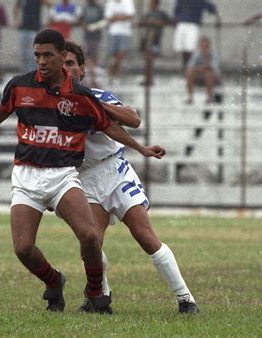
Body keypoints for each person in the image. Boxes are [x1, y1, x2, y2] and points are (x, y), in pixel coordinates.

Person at [0, 29, 165, 313]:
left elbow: (109, 126)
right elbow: (4, 108)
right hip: (27, 176)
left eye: (48, 55)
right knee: (23, 249)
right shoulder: (20, 86)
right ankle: (54, 281)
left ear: (63, 56)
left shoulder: (80, 96)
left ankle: (95, 292)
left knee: (89, 236)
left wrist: (141, 149)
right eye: (37, 55)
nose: (41, 61)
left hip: (63, 175)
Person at [63, 40, 199, 314]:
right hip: (85, 178)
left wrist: (94, 103)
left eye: (70, 64)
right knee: (90, 243)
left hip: (115, 170)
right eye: (61, 63)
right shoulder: (53, 105)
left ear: (82, 69)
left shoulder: (98, 95)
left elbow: (133, 119)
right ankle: (101, 298)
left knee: (145, 236)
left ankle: (185, 299)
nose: (66, 69)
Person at [173, 0, 221, 71]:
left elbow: (211, 8)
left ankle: (191, 69)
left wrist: (218, 19)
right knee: (183, 50)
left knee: (190, 49)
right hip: (181, 24)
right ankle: (185, 70)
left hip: (193, 25)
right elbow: (176, 12)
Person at [138, 0, 173, 86]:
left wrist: (160, 23)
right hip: (147, 39)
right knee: (147, 60)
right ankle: (147, 78)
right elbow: (140, 23)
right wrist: (148, 22)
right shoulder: (147, 14)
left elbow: (170, 22)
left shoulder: (161, 14)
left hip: (156, 40)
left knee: (151, 59)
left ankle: (150, 78)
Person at [13, 0, 52, 72]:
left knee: (33, 54)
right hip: (23, 29)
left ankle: (33, 73)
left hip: (34, 30)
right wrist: (16, 20)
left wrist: (49, 20)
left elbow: (50, 5)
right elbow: (16, 7)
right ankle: (24, 73)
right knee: (23, 54)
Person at [104, 0, 135, 83]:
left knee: (121, 53)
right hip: (113, 32)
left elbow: (129, 16)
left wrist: (116, 17)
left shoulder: (128, 2)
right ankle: (113, 74)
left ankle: (113, 72)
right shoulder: (110, 3)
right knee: (113, 54)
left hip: (124, 32)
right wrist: (121, 17)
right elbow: (108, 17)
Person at [185, 36, 220, 104]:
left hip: (212, 78)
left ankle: (209, 98)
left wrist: (203, 67)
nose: (204, 48)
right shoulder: (197, 53)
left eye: (206, 46)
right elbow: (190, 66)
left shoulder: (213, 53)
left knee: (209, 74)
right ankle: (190, 97)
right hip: (199, 76)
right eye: (202, 46)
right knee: (189, 73)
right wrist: (201, 68)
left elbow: (213, 67)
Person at [80, 0, 104, 88]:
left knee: (93, 56)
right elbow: (81, 19)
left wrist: (96, 26)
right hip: (87, 37)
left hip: (96, 37)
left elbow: (103, 20)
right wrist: (85, 26)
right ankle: (91, 79)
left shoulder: (99, 8)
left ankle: (94, 79)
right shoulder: (85, 7)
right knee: (87, 56)